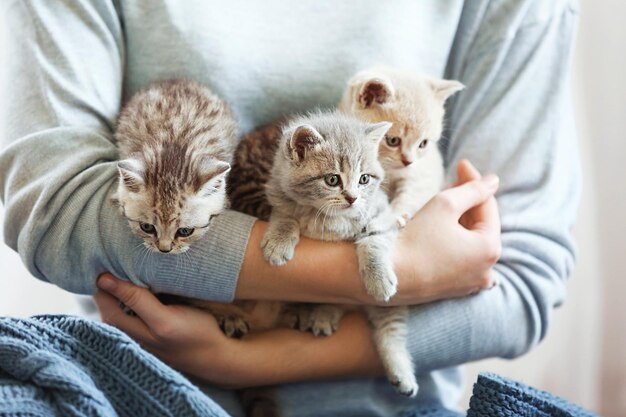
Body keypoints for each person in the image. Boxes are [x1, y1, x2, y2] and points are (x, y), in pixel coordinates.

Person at [0, 1, 580, 416]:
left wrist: (251, 362)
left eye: (418, 146)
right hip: (142, 384)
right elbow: (55, 207)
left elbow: (524, 279)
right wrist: (405, 270)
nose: (408, 157)